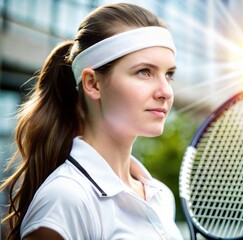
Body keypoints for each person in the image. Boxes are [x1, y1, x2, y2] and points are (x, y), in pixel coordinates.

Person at [0, 3, 183, 240]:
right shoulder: (65, 199)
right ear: (93, 84)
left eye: (169, 74)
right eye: (144, 72)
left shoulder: (159, 195)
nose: (165, 91)